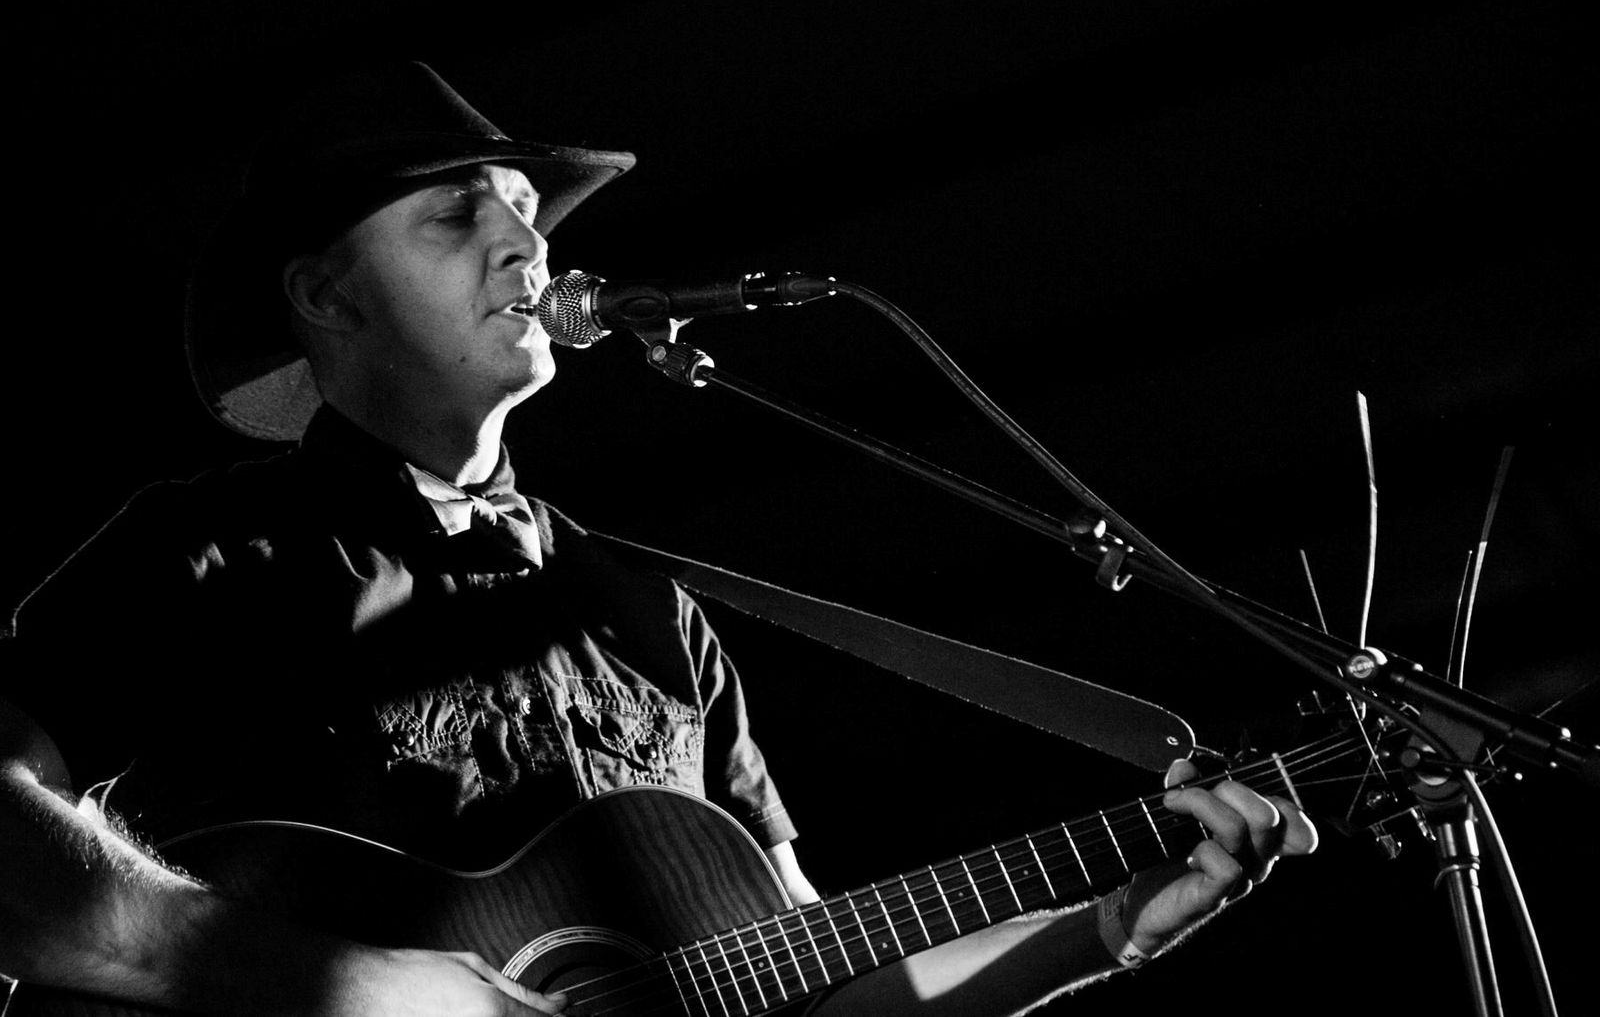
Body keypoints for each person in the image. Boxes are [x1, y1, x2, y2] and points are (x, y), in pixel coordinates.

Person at [0, 61, 1316, 1016]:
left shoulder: (643, 611)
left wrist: (1102, 928)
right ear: (323, 296)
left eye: (525, 207)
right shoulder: (208, 557)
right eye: (456, 214)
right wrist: (356, 988)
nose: (524, 242)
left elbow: (811, 987)